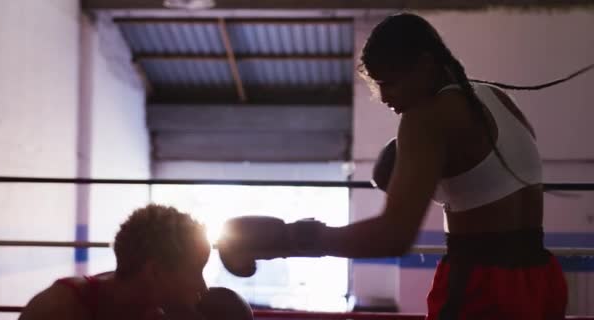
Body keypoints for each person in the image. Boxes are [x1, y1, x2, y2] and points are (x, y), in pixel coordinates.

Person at [216, 13, 581, 320]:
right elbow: (484, 189)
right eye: (378, 86)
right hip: (541, 279)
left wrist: (290, 239)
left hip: (483, 287)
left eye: (391, 82)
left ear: (424, 66)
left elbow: (394, 237)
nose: (386, 97)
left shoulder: (426, 118)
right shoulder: (495, 98)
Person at [19, 204, 215, 320]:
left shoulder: (155, 311)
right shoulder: (60, 308)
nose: (202, 287)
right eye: (196, 270)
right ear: (154, 271)